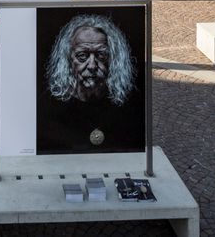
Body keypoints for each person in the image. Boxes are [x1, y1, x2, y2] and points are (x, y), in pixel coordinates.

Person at [38, 13, 143, 155]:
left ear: (113, 59)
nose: (92, 65)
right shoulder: (49, 104)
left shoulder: (130, 103)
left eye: (101, 56)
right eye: (82, 56)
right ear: (68, 60)